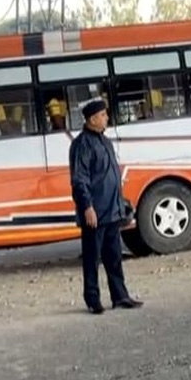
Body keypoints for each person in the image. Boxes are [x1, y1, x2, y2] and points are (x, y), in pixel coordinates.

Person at [69, 99, 143, 314]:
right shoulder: (82, 144)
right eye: (103, 115)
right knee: (92, 258)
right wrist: (87, 207)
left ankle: (120, 296)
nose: (107, 118)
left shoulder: (105, 141)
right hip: (95, 212)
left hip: (112, 210)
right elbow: (79, 180)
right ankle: (93, 300)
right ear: (93, 119)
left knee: (114, 256)